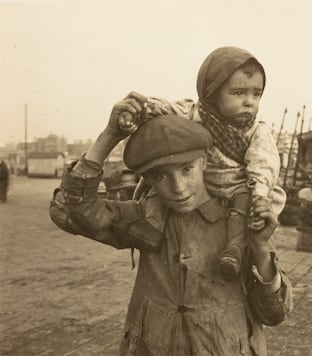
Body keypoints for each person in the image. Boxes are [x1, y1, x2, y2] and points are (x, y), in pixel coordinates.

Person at [49, 101, 293, 355]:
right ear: (149, 179)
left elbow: (273, 314)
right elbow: (71, 210)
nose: (178, 188)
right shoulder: (144, 218)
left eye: (187, 169)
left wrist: (261, 248)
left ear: (205, 162)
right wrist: (110, 135)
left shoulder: (241, 221)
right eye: (161, 176)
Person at [119, 46, 287, 281]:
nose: (249, 102)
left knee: (244, 205)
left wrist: (259, 194)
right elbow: (166, 109)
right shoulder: (194, 113)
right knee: (160, 182)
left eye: (256, 94)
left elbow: (264, 165)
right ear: (212, 92)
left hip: (236, 187)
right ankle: (152, 227)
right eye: (238, 93)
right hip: (198, 185)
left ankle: (234, 250)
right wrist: (140, 110)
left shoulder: (256, 131)